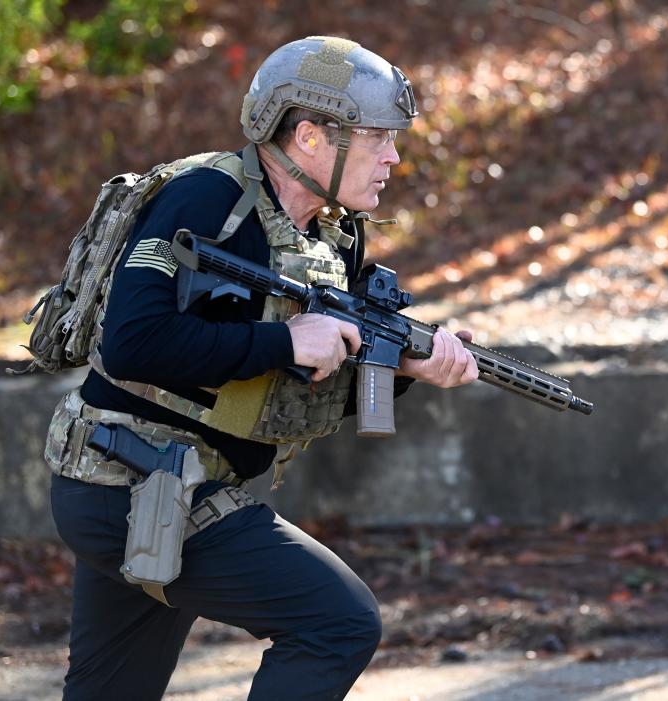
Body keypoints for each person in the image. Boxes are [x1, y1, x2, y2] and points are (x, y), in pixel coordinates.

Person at [44, 36, 479, 701]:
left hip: (164, 484)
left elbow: (304, 385)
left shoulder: (331, 236)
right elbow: (134, 342)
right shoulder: (206, 199)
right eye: (377, 139)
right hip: (131, 480)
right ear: (309, 136)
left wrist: (406, 370)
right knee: (338, 622)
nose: (394, 156)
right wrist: (284, 341)